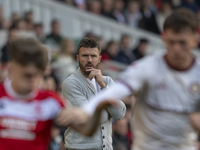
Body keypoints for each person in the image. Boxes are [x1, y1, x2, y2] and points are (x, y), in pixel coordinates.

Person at [82, 8, 200, 150]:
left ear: (195, 40)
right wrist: (85, 111)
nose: (176, 49)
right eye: (171, 42)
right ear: (163, 37)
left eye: (182, 43)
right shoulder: (147, 67)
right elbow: (116, 90)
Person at [0, 37, 116, 150]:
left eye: (37, 75)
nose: (33, 81)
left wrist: (98, 108)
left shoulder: (50, 101)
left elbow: (87, 130)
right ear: (11, 69)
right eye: (27, 75)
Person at [62, 37, 126, 150]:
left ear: (100, 58)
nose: (89, 60)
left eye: (93, 56)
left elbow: (119, 114)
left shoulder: (107, 81)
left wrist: (103, 87)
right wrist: (108, 111)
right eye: (85, 56)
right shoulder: (70, 83)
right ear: (77, 57)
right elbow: (88, 117)